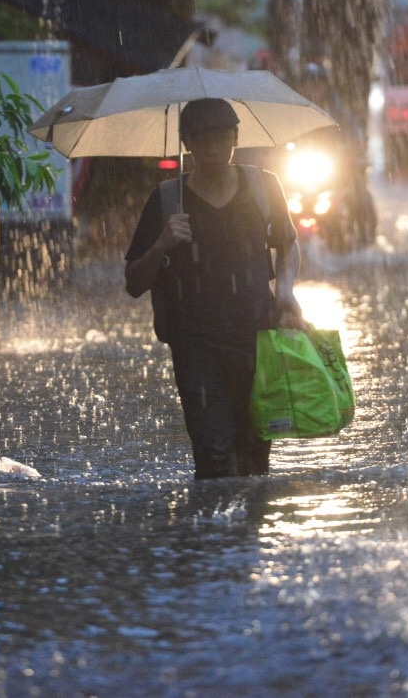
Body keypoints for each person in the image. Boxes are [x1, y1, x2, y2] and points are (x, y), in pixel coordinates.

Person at [125, 97, 305, 479]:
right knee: (213, 457)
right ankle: (210, 535)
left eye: (222, 138)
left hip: (257, 338)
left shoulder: (262, 186)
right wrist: (162, 244)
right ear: (187, 143)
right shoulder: (166, 200)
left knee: (255, 456)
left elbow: (288, 245)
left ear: (236, 137)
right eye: (202, 140)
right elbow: (133, 282)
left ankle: (246, 538)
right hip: (194, 344)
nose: (213, 149)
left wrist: (286, 290)